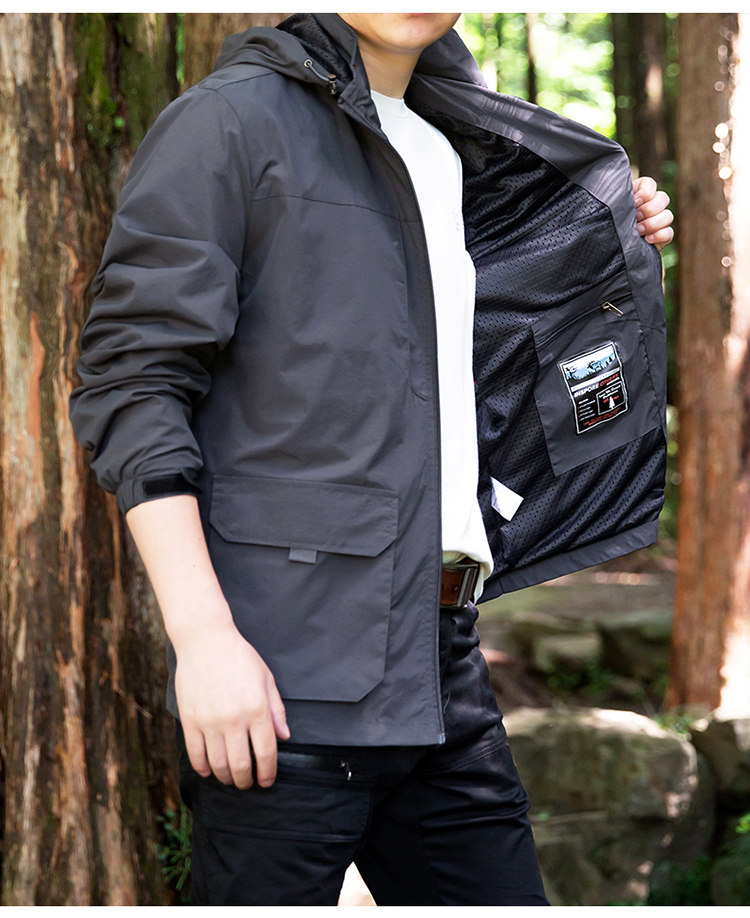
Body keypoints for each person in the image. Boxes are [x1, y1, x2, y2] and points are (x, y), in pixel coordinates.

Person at [70, 12, 674, 906]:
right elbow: (133, 384)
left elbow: (466, 351)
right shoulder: (230, 122)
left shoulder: (455, 143)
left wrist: (602, 231)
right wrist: (203, 641)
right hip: (286, 674)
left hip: (444, 660)